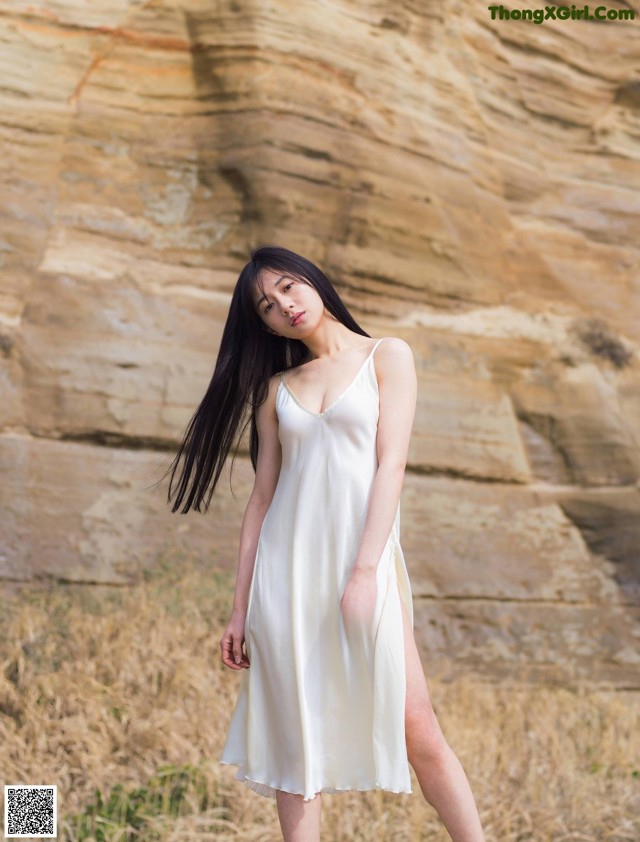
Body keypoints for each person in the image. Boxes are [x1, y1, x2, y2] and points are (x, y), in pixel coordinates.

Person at [162, 245, 485, 842]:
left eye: (288, 286)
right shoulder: (276, 389)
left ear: (312, 281)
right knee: (296, 748)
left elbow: (391, 467)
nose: (284, 305)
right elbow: (262, 501)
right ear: (262, 324)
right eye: (267, 304)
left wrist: (365, 574)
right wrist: (239, 610)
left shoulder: (387, 355)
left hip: (363, 565)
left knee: (419, 730)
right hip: (285, 578)